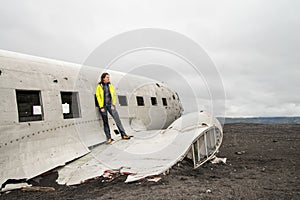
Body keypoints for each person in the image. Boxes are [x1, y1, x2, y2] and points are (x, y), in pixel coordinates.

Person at [96, 72, 130, 143]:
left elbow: (113, 95)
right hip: (103, 107)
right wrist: (101, 106)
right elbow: (98, 96)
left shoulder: (110, 85)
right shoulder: (99, 86)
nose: (108, 78)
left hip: (110, 105)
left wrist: (113, 105)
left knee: (117, 120)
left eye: (109, 77)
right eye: (107, 77)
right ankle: (109, 138)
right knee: (105, 122)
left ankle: (123, 134)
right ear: (103, 78)